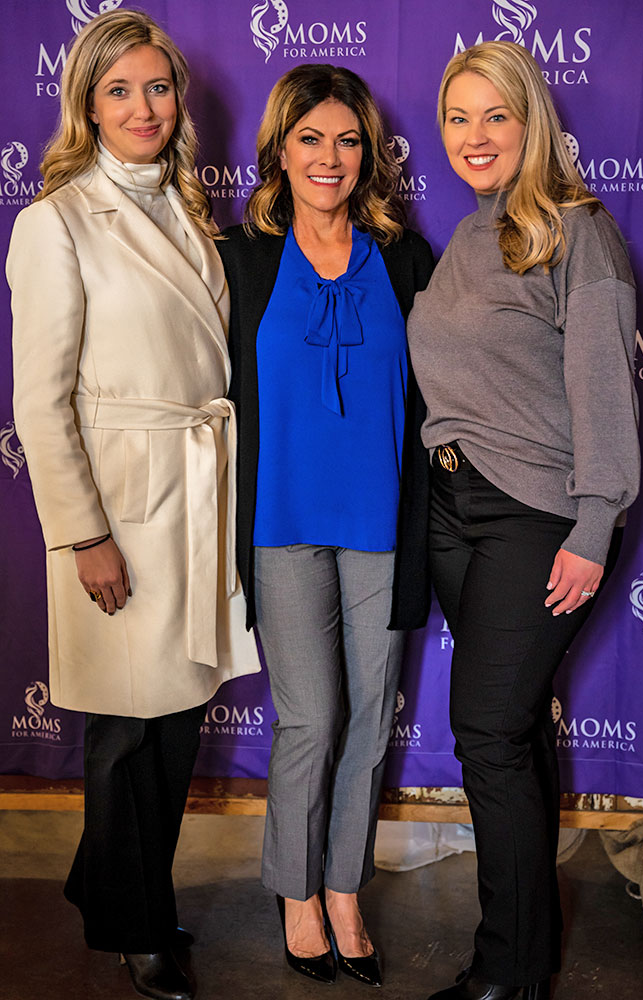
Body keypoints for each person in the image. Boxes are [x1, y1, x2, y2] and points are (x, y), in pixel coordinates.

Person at [6, 11, 259, 1000]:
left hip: (195, 496)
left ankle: (104, 880)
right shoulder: (56, 221)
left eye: (157, 87)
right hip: (120, 503)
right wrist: (84, 534)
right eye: (120, 90)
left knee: (177, 718)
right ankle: (134, 924)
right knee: (126, 729)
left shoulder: (190, 208)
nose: (143, 107)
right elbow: (40, 401)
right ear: (88, 105)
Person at [407, 41, 640, 1000]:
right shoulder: (468, 236)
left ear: (530, 121)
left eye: (494, 115)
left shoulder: (577, 230)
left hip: (536, 513)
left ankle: (503, 972)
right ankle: (530, 957)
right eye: (457, 117)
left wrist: (593, 526)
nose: (474, 136)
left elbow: (603, 390)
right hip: (451, 510)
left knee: (488, 734)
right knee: (515, 732)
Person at [218, 63, 433, 988]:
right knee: (310, 719)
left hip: (382, 523)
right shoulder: (240, 257)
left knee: (370, 722)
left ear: (368, 155)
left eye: (347, 140)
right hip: (281, 525)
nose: (329, 157)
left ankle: (344, 888)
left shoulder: (406, 258)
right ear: (280, 148)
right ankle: (295, 893)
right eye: (310, 138)